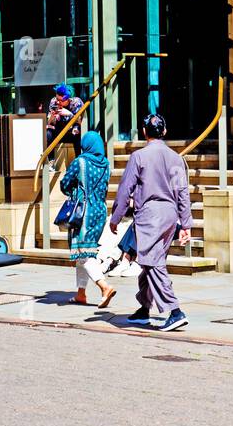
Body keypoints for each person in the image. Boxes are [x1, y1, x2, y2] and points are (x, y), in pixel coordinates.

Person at [108, 113, 192, 331]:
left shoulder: (139, 157)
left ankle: (175, 311)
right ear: (164, 132)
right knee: (150, 261)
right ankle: (144, 308)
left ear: (144, 132)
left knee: (152, 262)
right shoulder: (176, 158)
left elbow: (125, 189)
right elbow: (182, 192)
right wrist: (185, 224)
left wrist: (115, 217)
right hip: (170, 215)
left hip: (150, 215)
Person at [60, 131, 116, 309]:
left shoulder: (80, 162)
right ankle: (81, 294)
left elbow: (65, 184)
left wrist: (74, 189)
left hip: (83, 212)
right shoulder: (106, 164)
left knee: (84, 253)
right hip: (100, 210)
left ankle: (104, 287)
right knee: (82, 252)